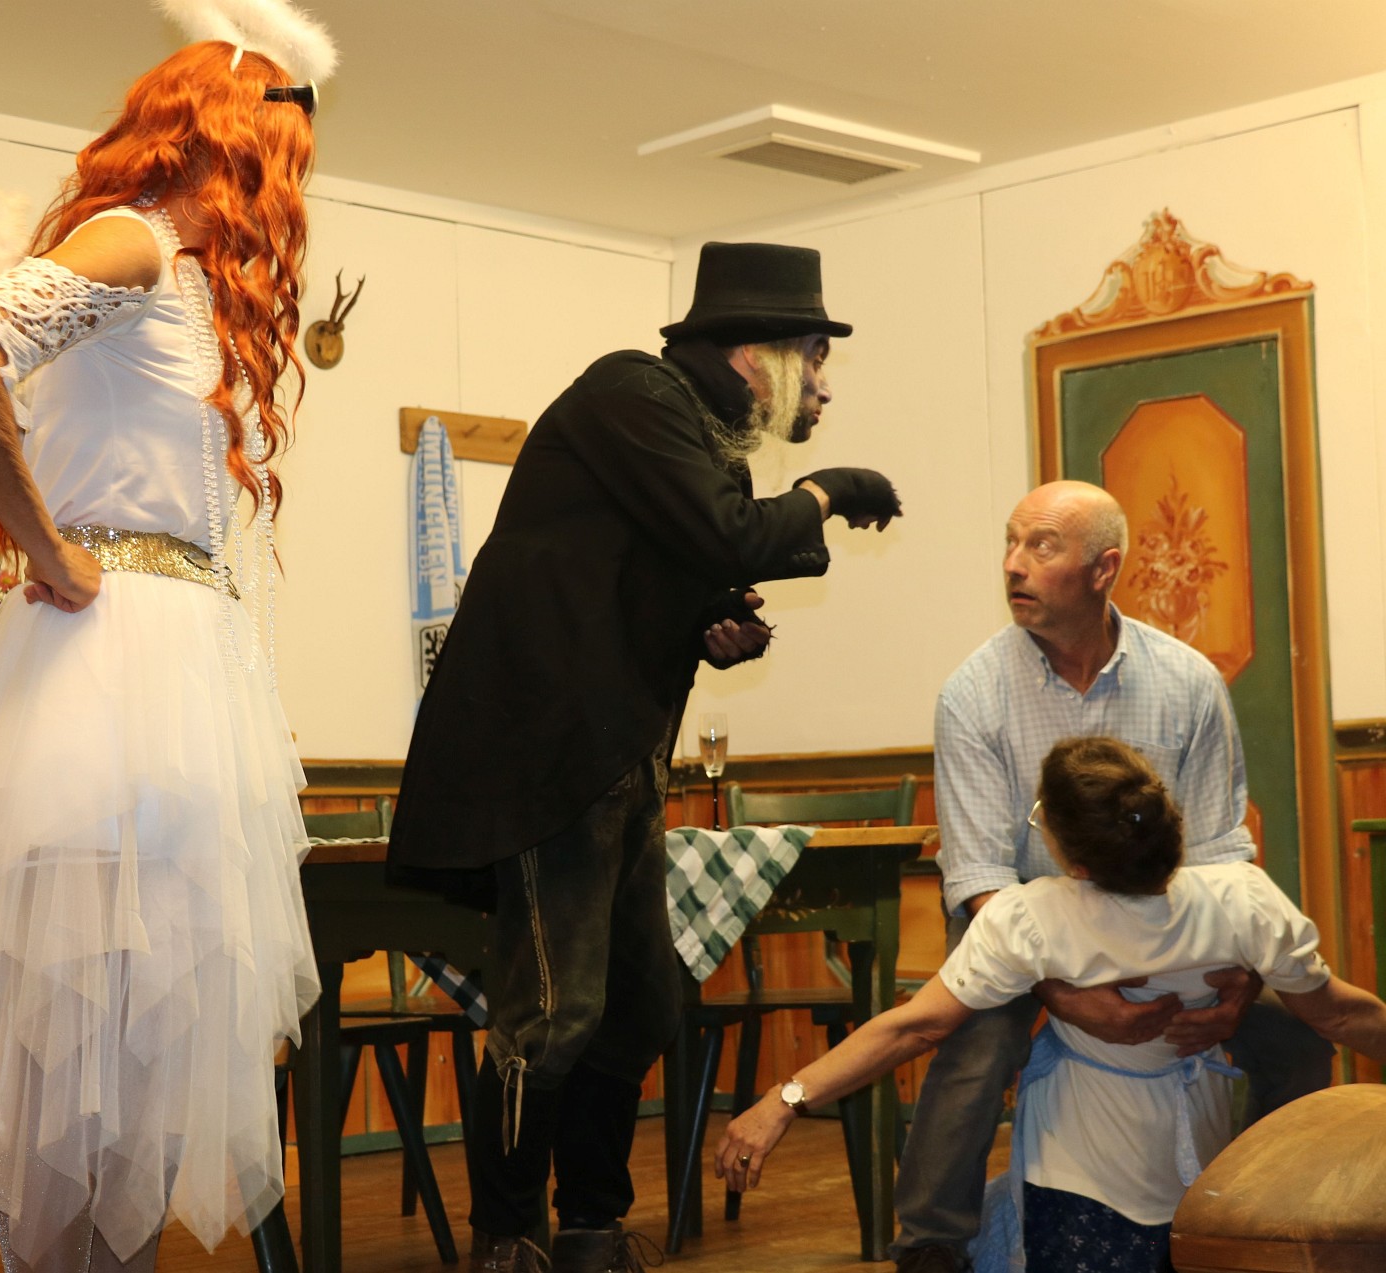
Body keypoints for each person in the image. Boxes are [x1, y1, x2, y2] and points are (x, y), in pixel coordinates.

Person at [0, 33, 331, 1273]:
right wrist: (45, 544)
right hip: (109, 667)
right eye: (285, 155)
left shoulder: (191, 289)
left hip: (185, 672)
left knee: (141, 1049)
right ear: (233, 142)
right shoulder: (131, 241)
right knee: (71, 1035)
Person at [386, 241, 903, 1273]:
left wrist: (706, 628)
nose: (823, 384)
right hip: (548, 761)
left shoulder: (696, 440)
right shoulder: (635, 391)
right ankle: (507, 1240)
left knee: (637, 1008)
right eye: (814, 355)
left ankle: (589, 1226)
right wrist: (826, 488)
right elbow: (732, 535)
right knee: (552, 1013)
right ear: (756, 353)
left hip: (616, 757)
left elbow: (650, 577)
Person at [715, 735, 1386, 1273]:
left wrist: (784, 1100)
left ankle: (931, 1245)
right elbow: (1344, 1014)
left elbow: (913, 1027)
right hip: (1200, 1183)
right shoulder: (1243, 900)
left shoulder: (1033, 917)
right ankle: (1266, 1211)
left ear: (1077, 861)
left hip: (1078, 1188)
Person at [887, 480, 1334, 1273]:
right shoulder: (973, 694)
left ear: (1105, 569)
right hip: (1025, 934)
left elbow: (1220, 854)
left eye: (1041, 545)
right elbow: (982, 876)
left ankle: (1268, 1216)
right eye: (1011, 541)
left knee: (1292, 1030)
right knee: (977, 1038)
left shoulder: (1189, 681)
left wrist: (1236, 975)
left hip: (1166, 923)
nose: (1013, 563)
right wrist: (1061, 988)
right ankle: (931, 1243)